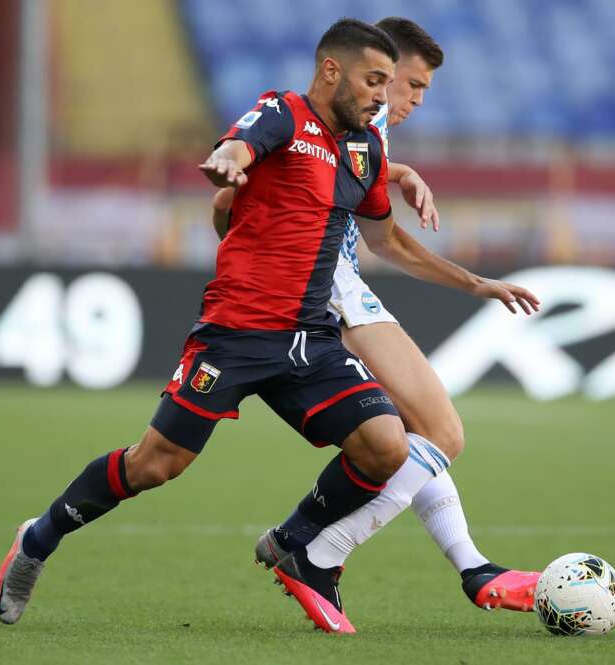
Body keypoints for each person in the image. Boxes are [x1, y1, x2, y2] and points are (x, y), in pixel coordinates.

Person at [0, 18, 412, 629]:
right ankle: (37, 538)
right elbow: (237, 147)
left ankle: (292, 541)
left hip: (310, 339)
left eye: (387, 85)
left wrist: (418, 194)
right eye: (373, 81)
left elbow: (385, 233)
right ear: (331, 70)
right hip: (235, 334)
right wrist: (227, 164)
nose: (382, 95)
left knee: (385, 446)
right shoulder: (282, 113)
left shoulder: (363, 148)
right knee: (155, 466)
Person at [213, 18, 542, 633]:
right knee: (439, 431)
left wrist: (397, 174)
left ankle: (470, 567)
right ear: (378, 73)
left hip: (341, 286)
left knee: (418, 435)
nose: (414, 99)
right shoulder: (313, 122)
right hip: (327, 291)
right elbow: (237, 194)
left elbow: (376, 220)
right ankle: (314, 547)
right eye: (409, 84)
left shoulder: (366, 138)